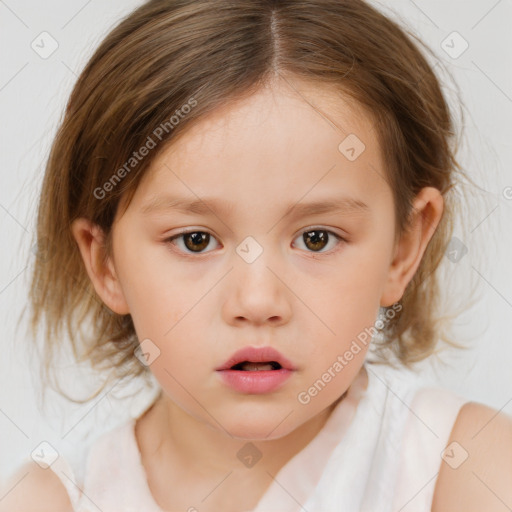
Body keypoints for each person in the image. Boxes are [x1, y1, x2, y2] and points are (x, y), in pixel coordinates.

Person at [2, 0, 511, 511]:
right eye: (195, 240)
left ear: (404, 248)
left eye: (317, 239)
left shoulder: (468, 468)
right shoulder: (50, 501)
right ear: (105, 262)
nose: (258, 300)